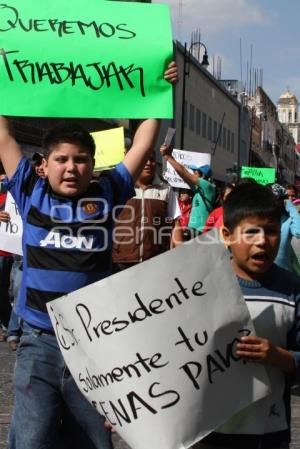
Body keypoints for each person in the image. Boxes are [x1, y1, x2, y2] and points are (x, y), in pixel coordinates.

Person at [0, 61, 178, 449]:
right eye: (61, 159)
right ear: (44, 165)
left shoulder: (108, 192)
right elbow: (3, 136)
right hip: (39, 342)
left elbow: (144, 143)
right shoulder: (30, 193)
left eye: (80, 159)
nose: (71, 167)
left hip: (94, 347)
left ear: (92, 164)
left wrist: (161, 92)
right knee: (31, 441)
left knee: (94, 442)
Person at [193, 182, 300, 449]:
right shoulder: (196, 287)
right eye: (251, 232)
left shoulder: (292, 290)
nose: (263, 241)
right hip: (205, 433)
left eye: (272, 231)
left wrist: (278, 356)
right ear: (226, 235)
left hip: (268, 433)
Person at [112, 152, 183, 270]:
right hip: (120, 263)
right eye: (145, 159)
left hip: (156, 262)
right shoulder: (119, 188)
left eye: (152, 160)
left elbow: (175, 223)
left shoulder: (166, 189)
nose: (149, 163)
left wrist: (180, 254)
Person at [160, 145, 216, 234]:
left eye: (195, 171)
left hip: (201, 231)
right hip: (192, 230)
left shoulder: (207, 186)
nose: (193, 173)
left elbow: (184, 173)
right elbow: (183, 174)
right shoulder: (198, 189)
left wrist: (168, 157)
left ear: (203, 174)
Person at [271, 183, 300, 272]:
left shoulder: (288, 220)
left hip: (285, 274)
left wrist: (290, 206)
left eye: (279, 199)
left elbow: (298, 231)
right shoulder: (261, 220)